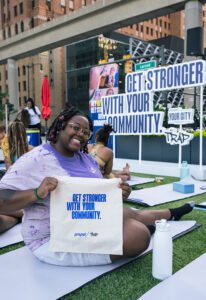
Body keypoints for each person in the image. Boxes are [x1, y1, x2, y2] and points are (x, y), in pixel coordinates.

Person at [0, 107, 194, 265]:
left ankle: (172, 213)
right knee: (139, 235)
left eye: (86, 132)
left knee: (128, 213)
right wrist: (36, 193)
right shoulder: (35, 159)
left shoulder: (87, 160)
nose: (81, 134)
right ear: (60, 125)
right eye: (75, 127)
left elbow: (97, 193)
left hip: (89, 221)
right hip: (55, 237)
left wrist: (117, 191)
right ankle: (145, 228)